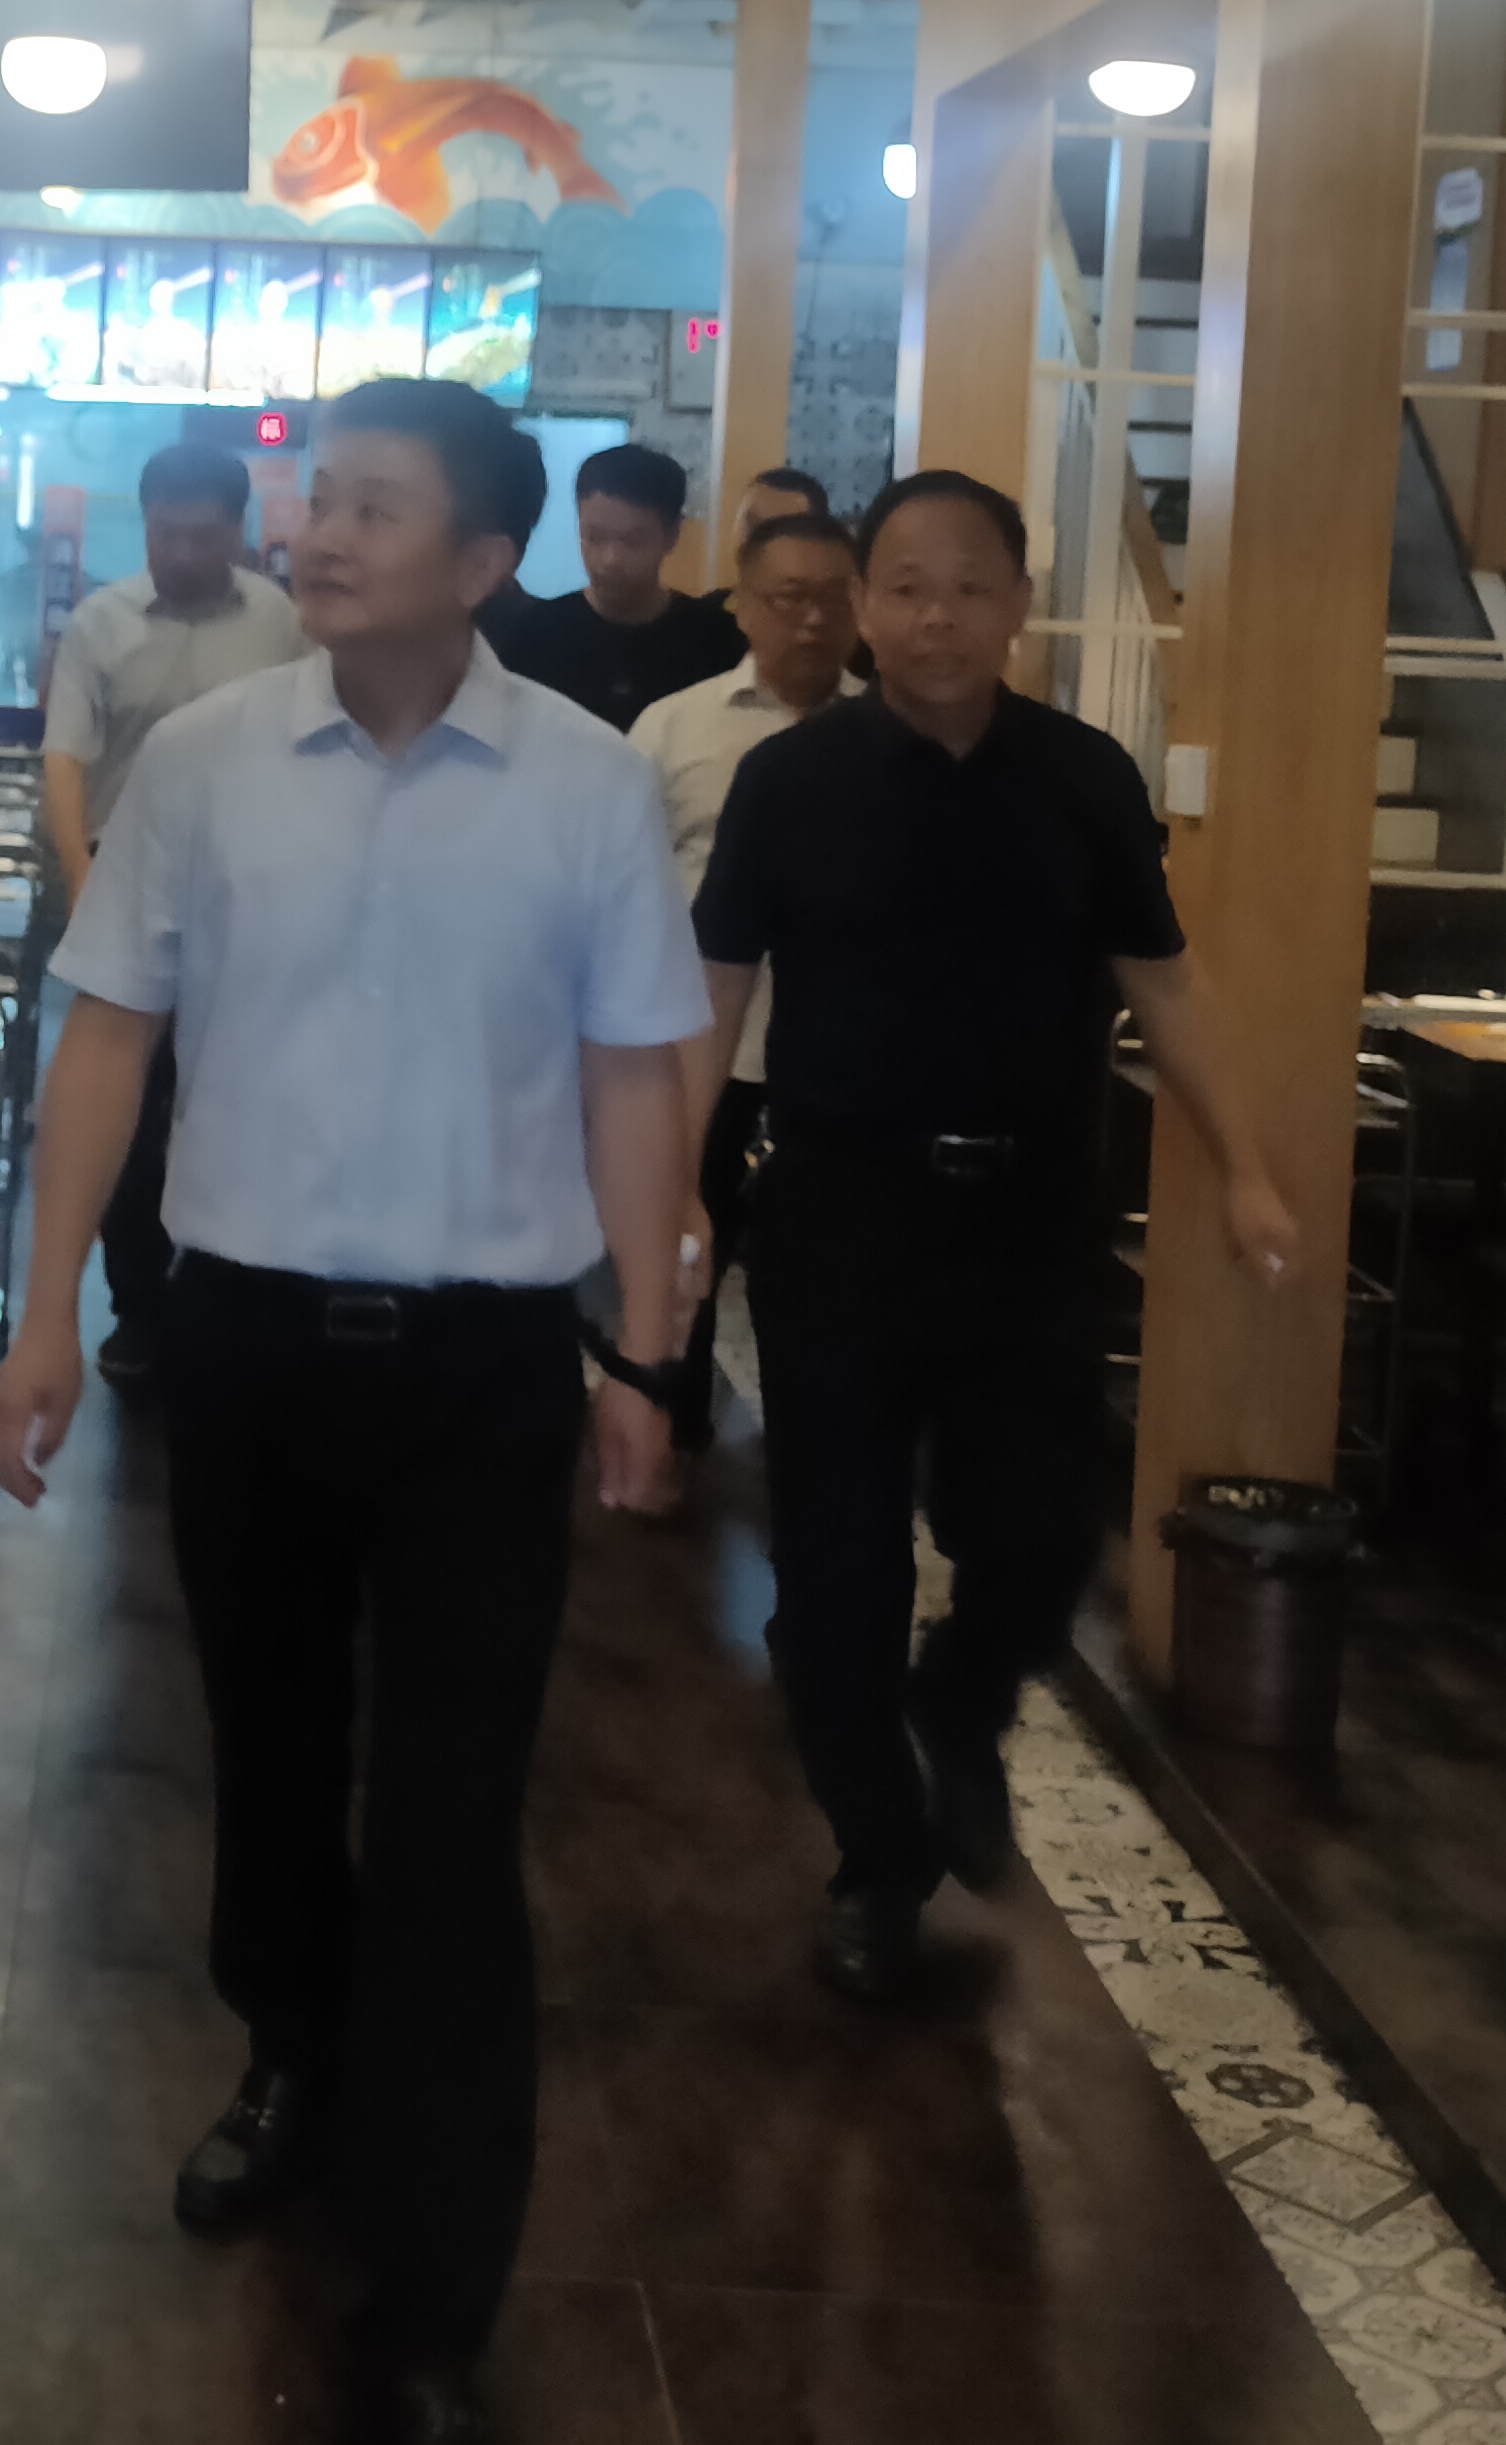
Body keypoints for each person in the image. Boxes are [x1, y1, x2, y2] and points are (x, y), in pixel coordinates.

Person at [0, 376, 705, 2445]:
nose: (317, 532)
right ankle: (291, 2059)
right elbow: (109, 1037)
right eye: (319, 499)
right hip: (247, 1346)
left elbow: (638, 1074)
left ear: (482, 560)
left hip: (484, 1368)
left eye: (374, 508)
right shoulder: (206, 762)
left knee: (458, 1813)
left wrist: (645, 1354)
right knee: (277, 1753)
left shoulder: (585, 788)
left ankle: (437, 2271)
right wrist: (42, 1313)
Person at [687, 469, 1298, 2002]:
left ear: (1020, 605)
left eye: (970, 586)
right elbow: (712, 991)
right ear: (862, 607)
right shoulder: (792, 784)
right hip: (840, 1213)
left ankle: (961, 1701)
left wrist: (1247, 1168)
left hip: (1030, 1218)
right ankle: (877, 1858)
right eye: (905, 587)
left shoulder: (1084, 779)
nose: (936, 617)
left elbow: (1163, 981)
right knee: (835, 1572)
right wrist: (667, 1190)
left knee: (1037, 1538)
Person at [40, 442, 313, 1390]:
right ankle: (140, 1310)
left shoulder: (286, 623)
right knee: (131, 1101)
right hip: (125, 875)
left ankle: (238, 1297)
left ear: (237, 532)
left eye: (203, 536)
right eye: (166, 534)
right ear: (144, 524)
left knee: (243, 1094)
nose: (184, 553)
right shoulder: (99, 623)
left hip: (256, 884)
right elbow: (66, 757)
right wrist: (80, 874)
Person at [626, 504, 863, 1448]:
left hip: (836, 1062)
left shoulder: (890, 732)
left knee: (824, 1281)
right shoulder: (673, 728)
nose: (813, 619)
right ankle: (665, 1430)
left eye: (834, 597)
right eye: (790, 597)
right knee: (684, 1253)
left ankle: (811, 1452)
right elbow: (624, 890)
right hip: (702, 1051)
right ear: (743, 606)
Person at [493, 441, 745, 730]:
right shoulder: (532, 635)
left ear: (673, 533)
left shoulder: (717, 641)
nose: (610, 559)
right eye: (594, 537)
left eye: (633, 541)